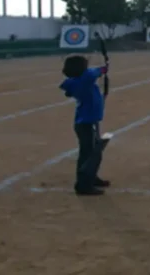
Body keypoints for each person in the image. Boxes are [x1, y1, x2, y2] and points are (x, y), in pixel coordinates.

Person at [59, 55, 110, 196]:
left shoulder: (75, 81)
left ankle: (91, 177)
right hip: (87, 122)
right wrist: (103, 69)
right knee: (90, 154)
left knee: (90, 152)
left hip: (86, 122)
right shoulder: (85, 79)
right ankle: (83, 185)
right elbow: (94, 73)